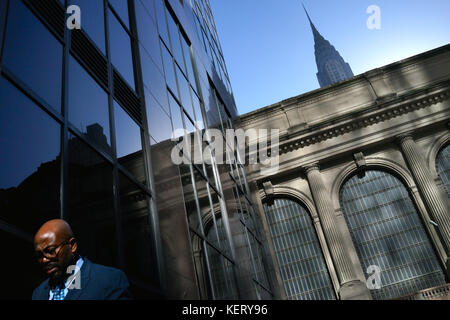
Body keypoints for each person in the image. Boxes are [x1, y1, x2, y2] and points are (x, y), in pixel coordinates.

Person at [32, 219, 131, 300]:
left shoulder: (109, 280)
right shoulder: (39, 293)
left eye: (50, 251)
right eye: (39, 256)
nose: (44, 260)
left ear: (72, 245)